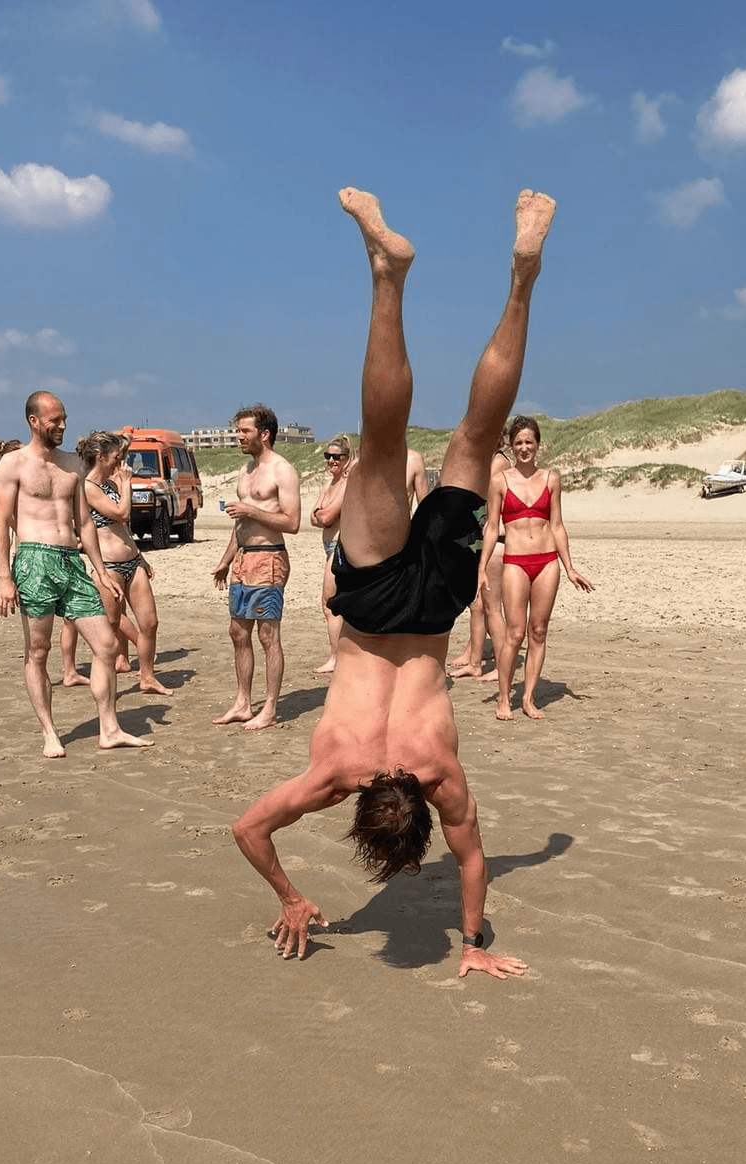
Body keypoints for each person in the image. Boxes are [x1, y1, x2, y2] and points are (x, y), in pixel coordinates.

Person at [232, 186, 556, 979]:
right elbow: (248, 831)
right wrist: (288, 894)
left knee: (475, 435)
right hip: (373, 602)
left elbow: (474, 861)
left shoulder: (441, 778)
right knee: (382, 439)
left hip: (438, 602)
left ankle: (521, 278)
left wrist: (473, 943)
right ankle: (387, 275)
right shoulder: (333, 775)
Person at [0, 391, 153, 758]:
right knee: (38, 650)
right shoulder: (13, 464)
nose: (63, 426)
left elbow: (84, 522)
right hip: (34, 560)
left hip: (71, 561)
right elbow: (1, 523)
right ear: (34, 422)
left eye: (64, 418)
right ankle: (50, 732)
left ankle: (109, 728)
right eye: (54, 420)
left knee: (107, 645)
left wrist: (101, 569)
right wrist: (4, 576)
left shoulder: (71, 466)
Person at [480, 415, 593, 720]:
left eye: (529, 441)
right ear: (512, 446)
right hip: (515, 562)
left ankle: (528, 698)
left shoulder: (551, 479)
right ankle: (504, 698)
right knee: (515, 634)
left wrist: (569, 567)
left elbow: (557, 526)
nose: (524, 447)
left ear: (538, 444)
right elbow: (492, 527)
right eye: (518, 442)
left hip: (547, 562)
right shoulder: (499, 481)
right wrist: (480, 568)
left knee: (539, 632)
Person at [59, 431, 172, 697]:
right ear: (100, 457)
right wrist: (127, 483)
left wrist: (141, 557)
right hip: (108, 567)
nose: (120, 463)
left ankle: (147, 677)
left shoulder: (110, 483)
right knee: (109, 629)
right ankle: (108, 685)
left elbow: (122, 527)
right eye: (116, 457)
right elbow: (121, 512)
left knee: (150, 623)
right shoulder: (88, 487)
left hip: (132, 561)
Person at [212, 404, 302, 730]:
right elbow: (241, 526)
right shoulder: (245, 471)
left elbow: (291, 522)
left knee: (268, 635)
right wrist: (225, 560)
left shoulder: (283, 470)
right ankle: (242, 703)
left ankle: (271, 708)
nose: (238, 436)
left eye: (244, 431)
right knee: (238, 632)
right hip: (243, 560)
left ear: (264, 434)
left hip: (270, 560)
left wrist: (250, 509)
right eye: (238, 431)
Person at [450, 444, 512, 681]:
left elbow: (483, 503)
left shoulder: (497, 461)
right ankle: (475, 662)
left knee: (491, 608)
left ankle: (501, 666)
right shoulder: (487, 459)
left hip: (496, 540)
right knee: (477, 604)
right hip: (483, 537)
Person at [312, 434, 353, 673]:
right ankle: (340, 655)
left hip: (339, 546)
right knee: (334, 603)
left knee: (329, 603)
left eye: (336, 457)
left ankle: (336, 657)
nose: (330, 461)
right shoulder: (326, 486)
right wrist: (322, 515)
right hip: (329, 547)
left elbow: (324, 516)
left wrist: (322, 515)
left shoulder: (348, 484)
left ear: (346, 459)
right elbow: (313, 517)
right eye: (327, 456)